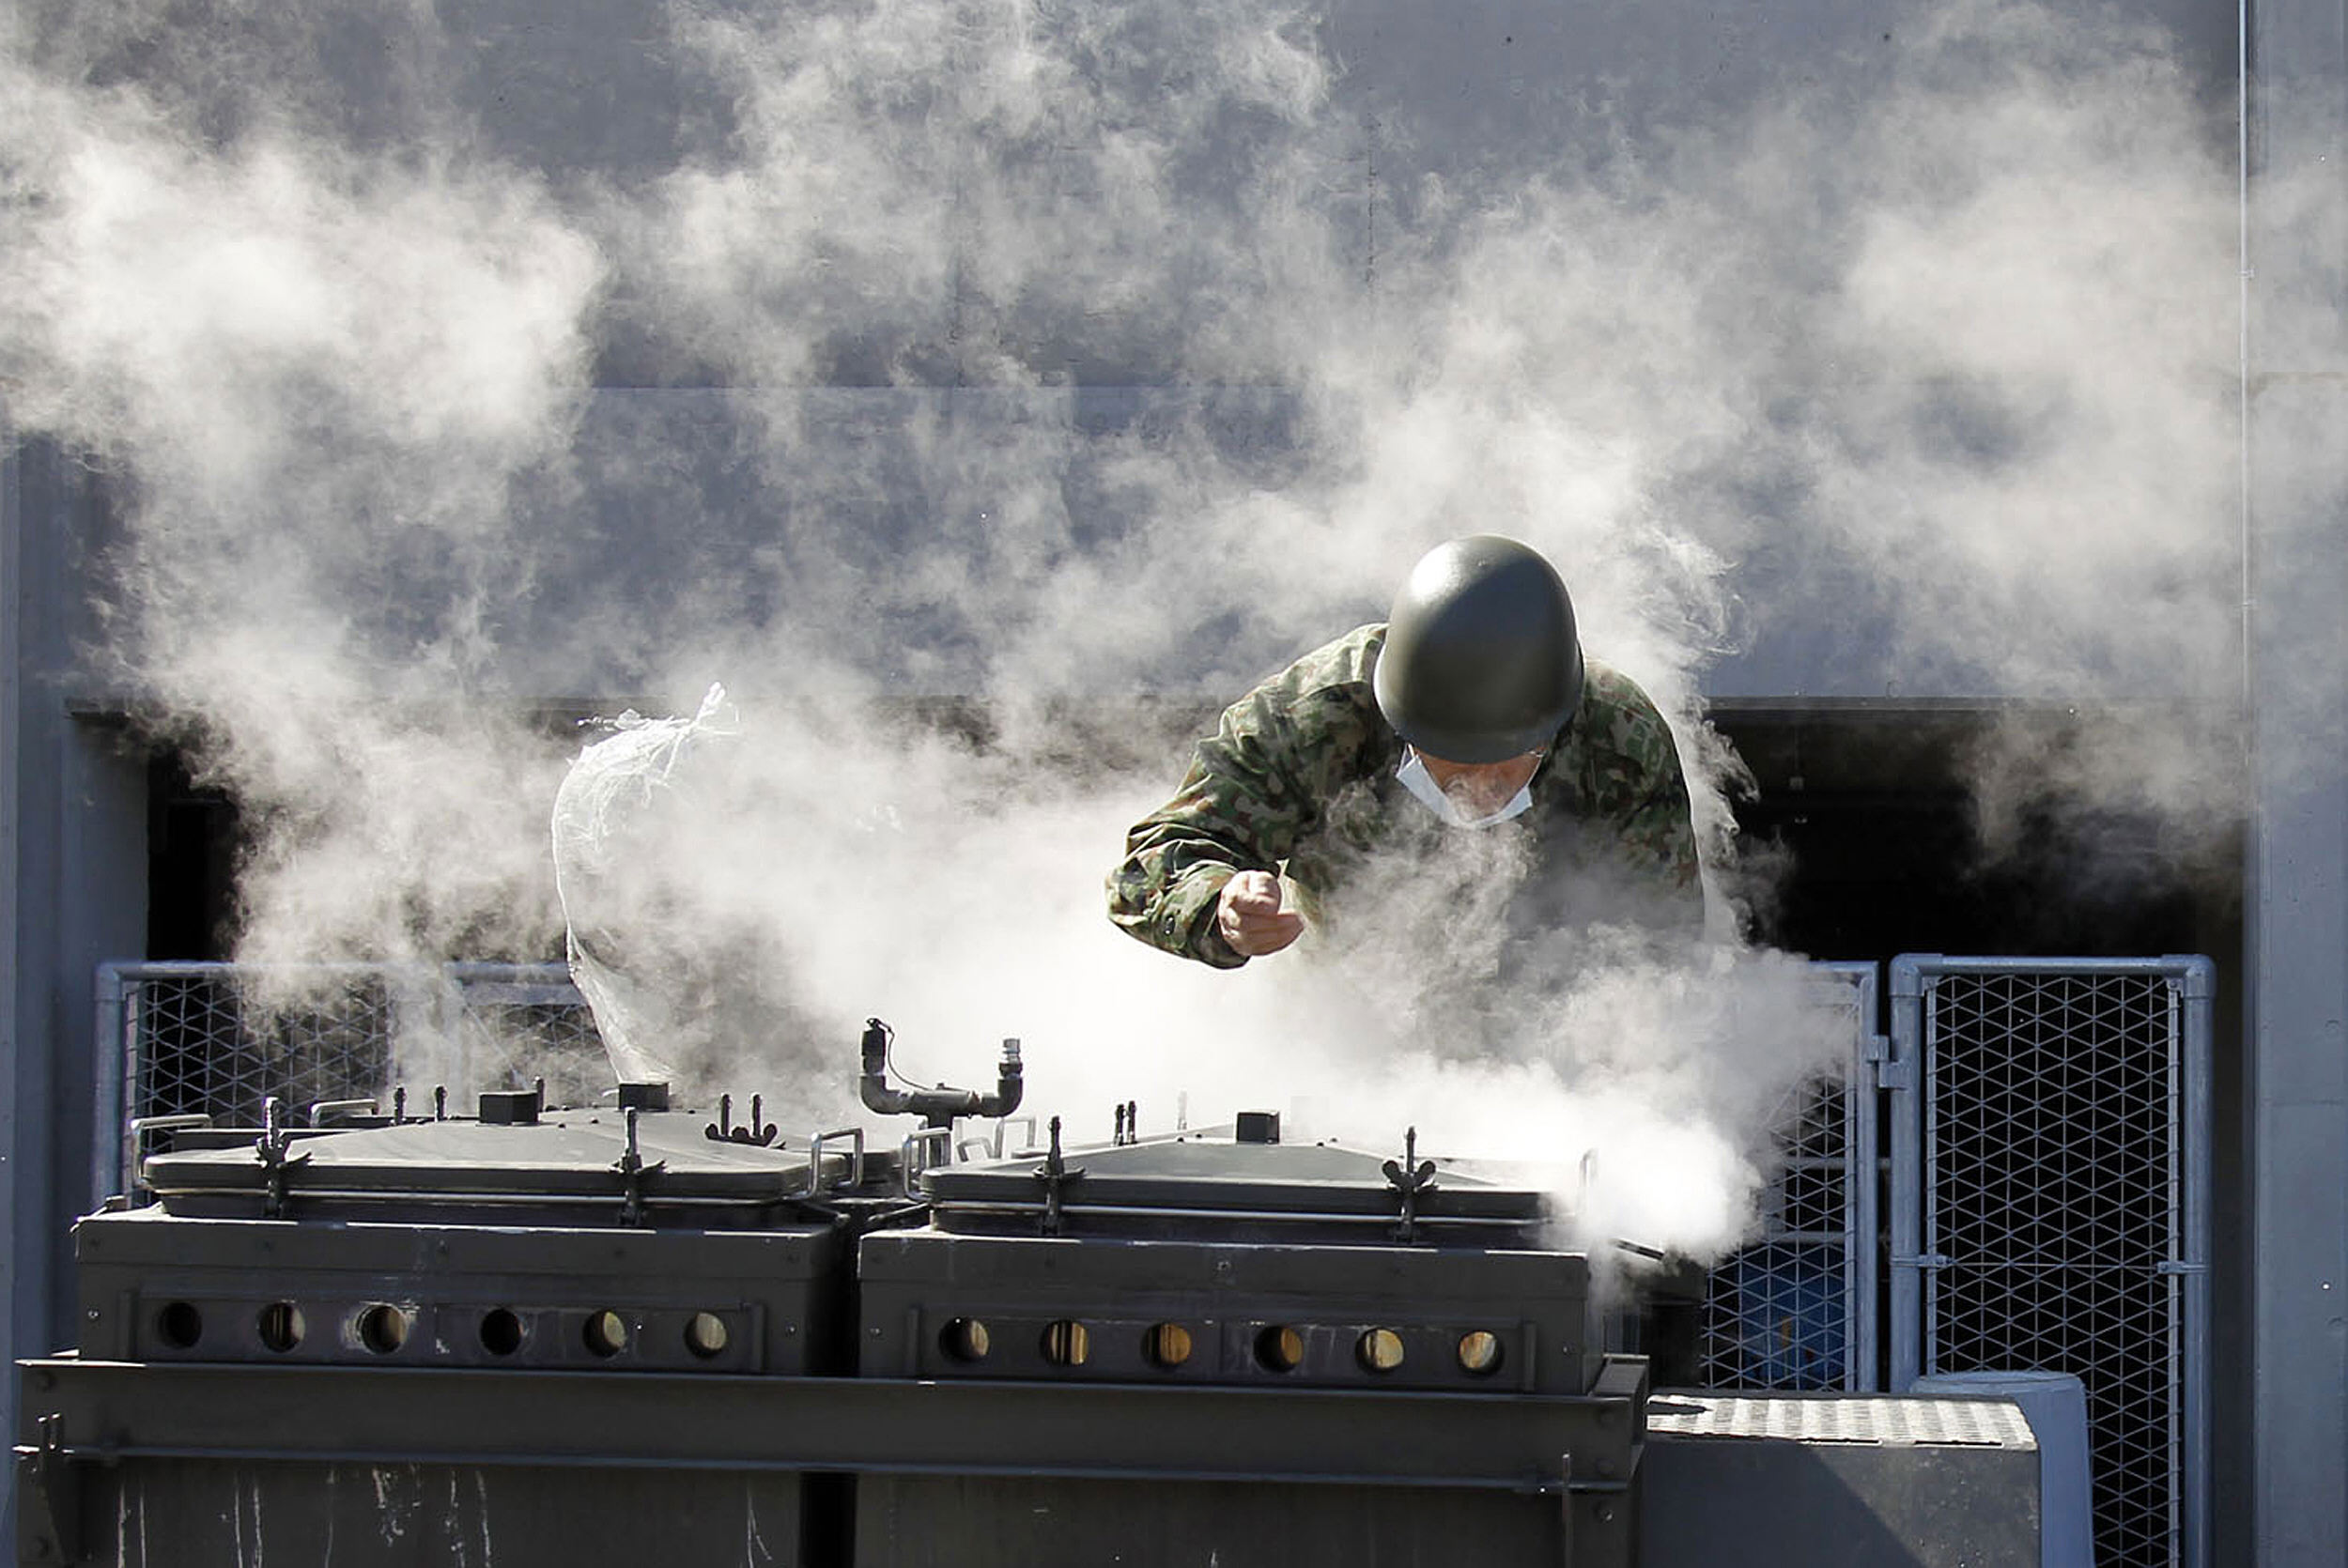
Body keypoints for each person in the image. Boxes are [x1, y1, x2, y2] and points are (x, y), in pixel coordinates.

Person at [1106, 534, 1702, 968]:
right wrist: (1221, 906)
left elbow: (1661, 943)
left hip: (1554, 1041)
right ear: (1405, 728)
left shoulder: (1620, 737)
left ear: (1553, 729)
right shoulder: (1314, 717)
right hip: (1342, 1024)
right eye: (1456, 767)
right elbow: (1152, 863)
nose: (1481, 790)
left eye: (1508, 764)